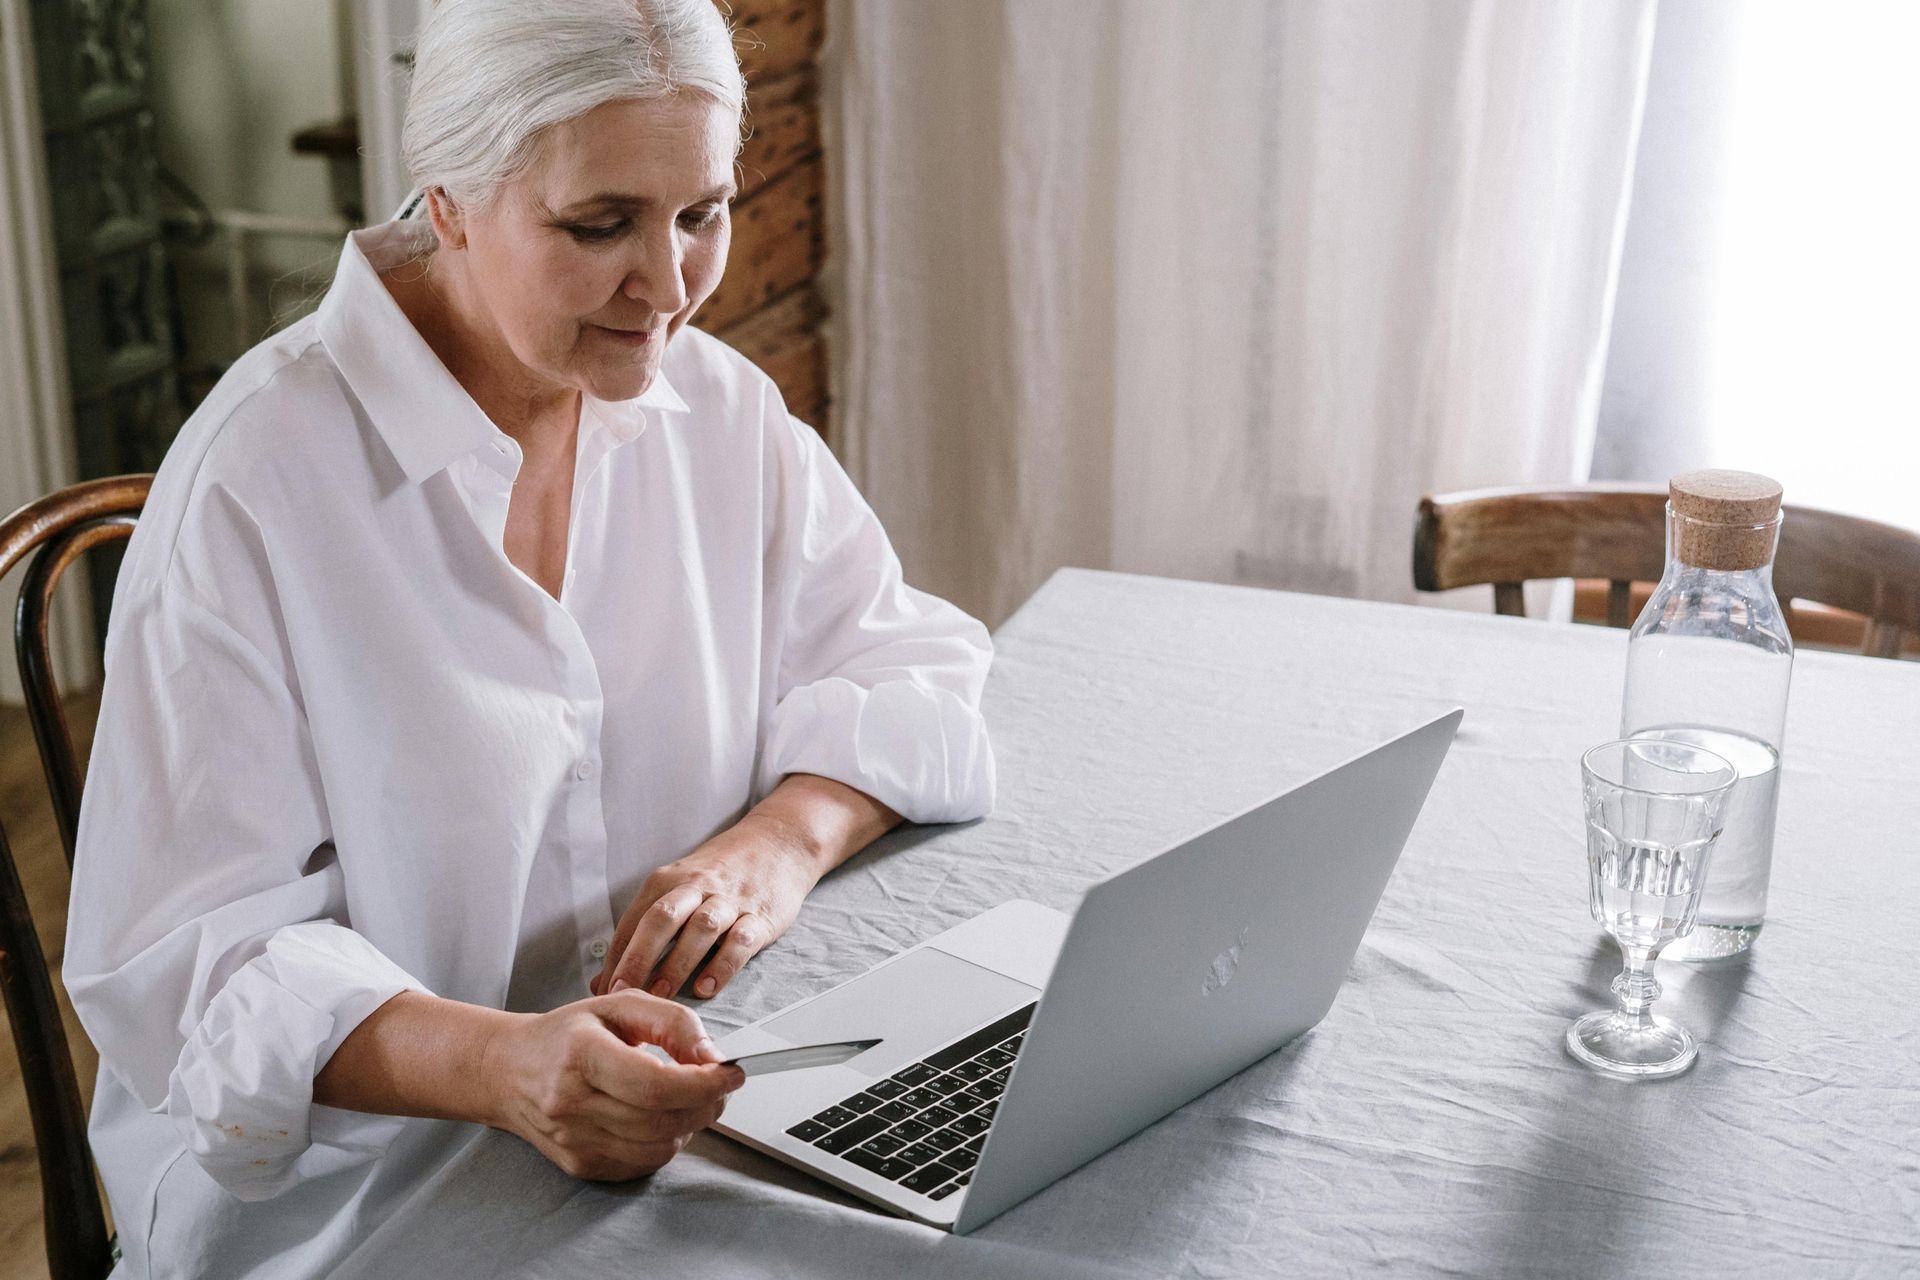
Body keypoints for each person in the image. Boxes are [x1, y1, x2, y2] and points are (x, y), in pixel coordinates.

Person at [62, 1, 996, 1273]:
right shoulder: (256, 485)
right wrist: (506, 1066)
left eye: (702, 212)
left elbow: (911, 663)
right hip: (351, 1204)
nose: (666, 287)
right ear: (447, 199)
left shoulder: (717, 410)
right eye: (599, 223)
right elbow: (194, 975)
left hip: (668, 1148)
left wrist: (775, 845)